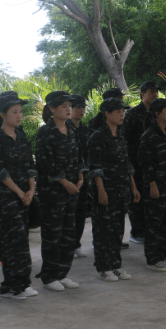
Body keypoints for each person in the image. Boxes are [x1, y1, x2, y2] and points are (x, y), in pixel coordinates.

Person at [0, 93, 38, 299]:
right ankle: (15, 285)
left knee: (21, 240)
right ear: (2, 115)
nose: (19, 115)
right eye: (14, 112)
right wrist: (20, 192)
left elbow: (30, 167)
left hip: (24, 195)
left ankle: (17, 284)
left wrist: (31, 190)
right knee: (12, 242)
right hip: (5, 197)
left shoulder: (22, 137)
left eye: (21, 112)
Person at [35, 91, 87, 291]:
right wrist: (65, 182)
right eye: (64, 106)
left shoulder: (72, 130)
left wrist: (81, 177)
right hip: (53, 193)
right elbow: (45, 163)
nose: (68, 109)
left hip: (73, 191)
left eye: (69, 106)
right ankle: (49, 276)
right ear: (52, 109)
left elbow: (79, 157)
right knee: (52, 235)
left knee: (68, 234)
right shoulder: (45, 132)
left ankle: (63, 273)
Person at [88, 97, 140, 281]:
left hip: (121, 190)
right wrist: (101, 190)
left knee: (118, 229)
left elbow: (127, 163)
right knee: (103, 230)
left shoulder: (121, 135)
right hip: (106, 190)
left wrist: (134, 187)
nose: (122, 115)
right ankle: (103, 267)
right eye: (117, 112)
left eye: (123, 111)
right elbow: (95, 167)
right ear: (107, 114)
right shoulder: (98, 137)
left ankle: (116, 265)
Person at [137, 98, 166, 271]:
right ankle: (153, 259)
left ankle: (162, 256)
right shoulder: (149, 135)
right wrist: (152, 184)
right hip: (156, 186)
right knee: (154, 224)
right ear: (157, 114)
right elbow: (146, 164)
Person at [124, 80, 159, 243]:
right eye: (151, 91)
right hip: (137, 162)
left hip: (154, 163)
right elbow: (127, 140)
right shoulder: (132, 114)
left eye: (156, 91)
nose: (155, 94)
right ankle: (137, 232)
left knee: (152, 199)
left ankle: (149, 229)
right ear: (142, 94)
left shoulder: (157, 113)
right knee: (137, 198)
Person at [69, 95, 93, 258]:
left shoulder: (85, 130)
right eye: (78, 107)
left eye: (83, 107)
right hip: (69, 178)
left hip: (84, 177)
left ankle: (76, 244)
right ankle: (68, 246)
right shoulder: (65, 129)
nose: (81, 110)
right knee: (69, 213)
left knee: (80, 213)